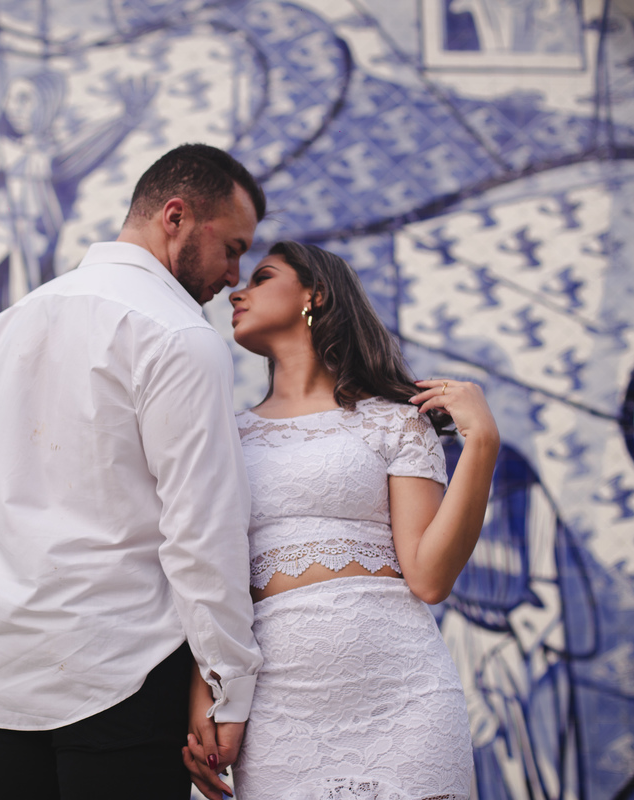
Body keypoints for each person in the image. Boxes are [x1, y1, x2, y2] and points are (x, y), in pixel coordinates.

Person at [0, 143, 266, 799]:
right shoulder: (180, 338)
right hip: (128, 677)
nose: (234, 274)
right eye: (232, 247)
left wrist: (34, 608)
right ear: (176, 217)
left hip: (9, 678)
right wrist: (228, 686)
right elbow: (202, 531)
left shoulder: (1, 330)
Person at [185, 241, 499, 800]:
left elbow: (429, 578)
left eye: (262, 277)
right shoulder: (225, 436)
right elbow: (209, 578)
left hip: (405, 699)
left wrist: (482, 444)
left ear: (316, 294)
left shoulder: (396, 423)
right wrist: (205, 693)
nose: (237, 292)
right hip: (279, 712)